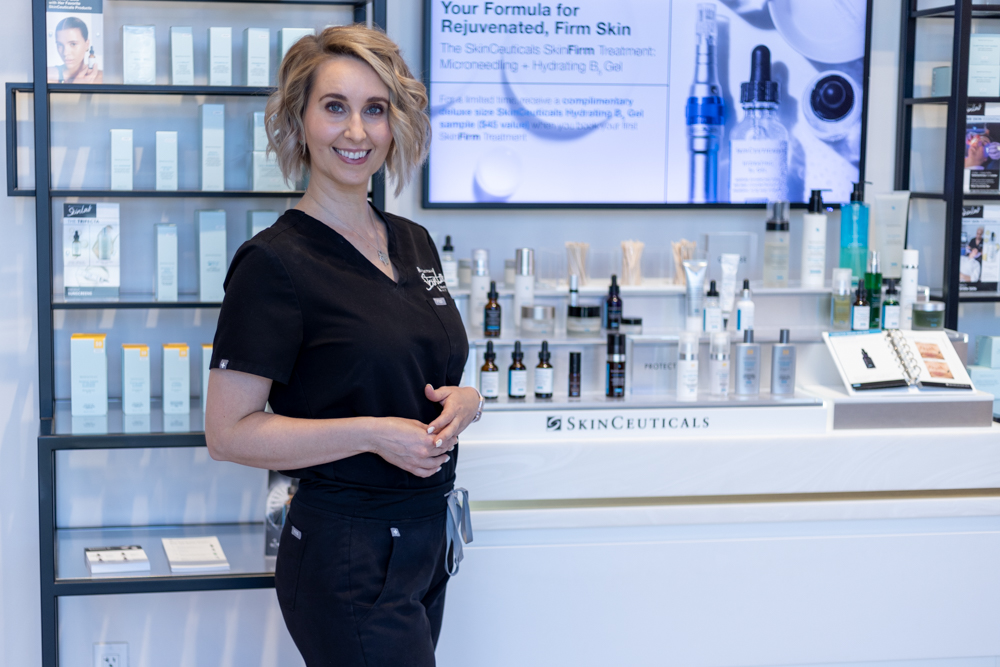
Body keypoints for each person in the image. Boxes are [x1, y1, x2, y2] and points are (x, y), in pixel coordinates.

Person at [204, 24, 480, 666]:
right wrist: (372, 433)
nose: (356, 132)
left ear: (394, 124)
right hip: (345, 552)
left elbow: (421, 366)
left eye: (374, 110)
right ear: (300, 121)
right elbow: (228, 432)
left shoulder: (412, 241)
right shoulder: (274, 264)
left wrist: (467, 402)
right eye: (335, 107)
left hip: (424, 540)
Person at [47, 16, 103, 83]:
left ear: (86, 44)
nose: (65, 53)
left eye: (73, 44)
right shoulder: (48, 75)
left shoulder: (101, 77)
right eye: (60, 45)